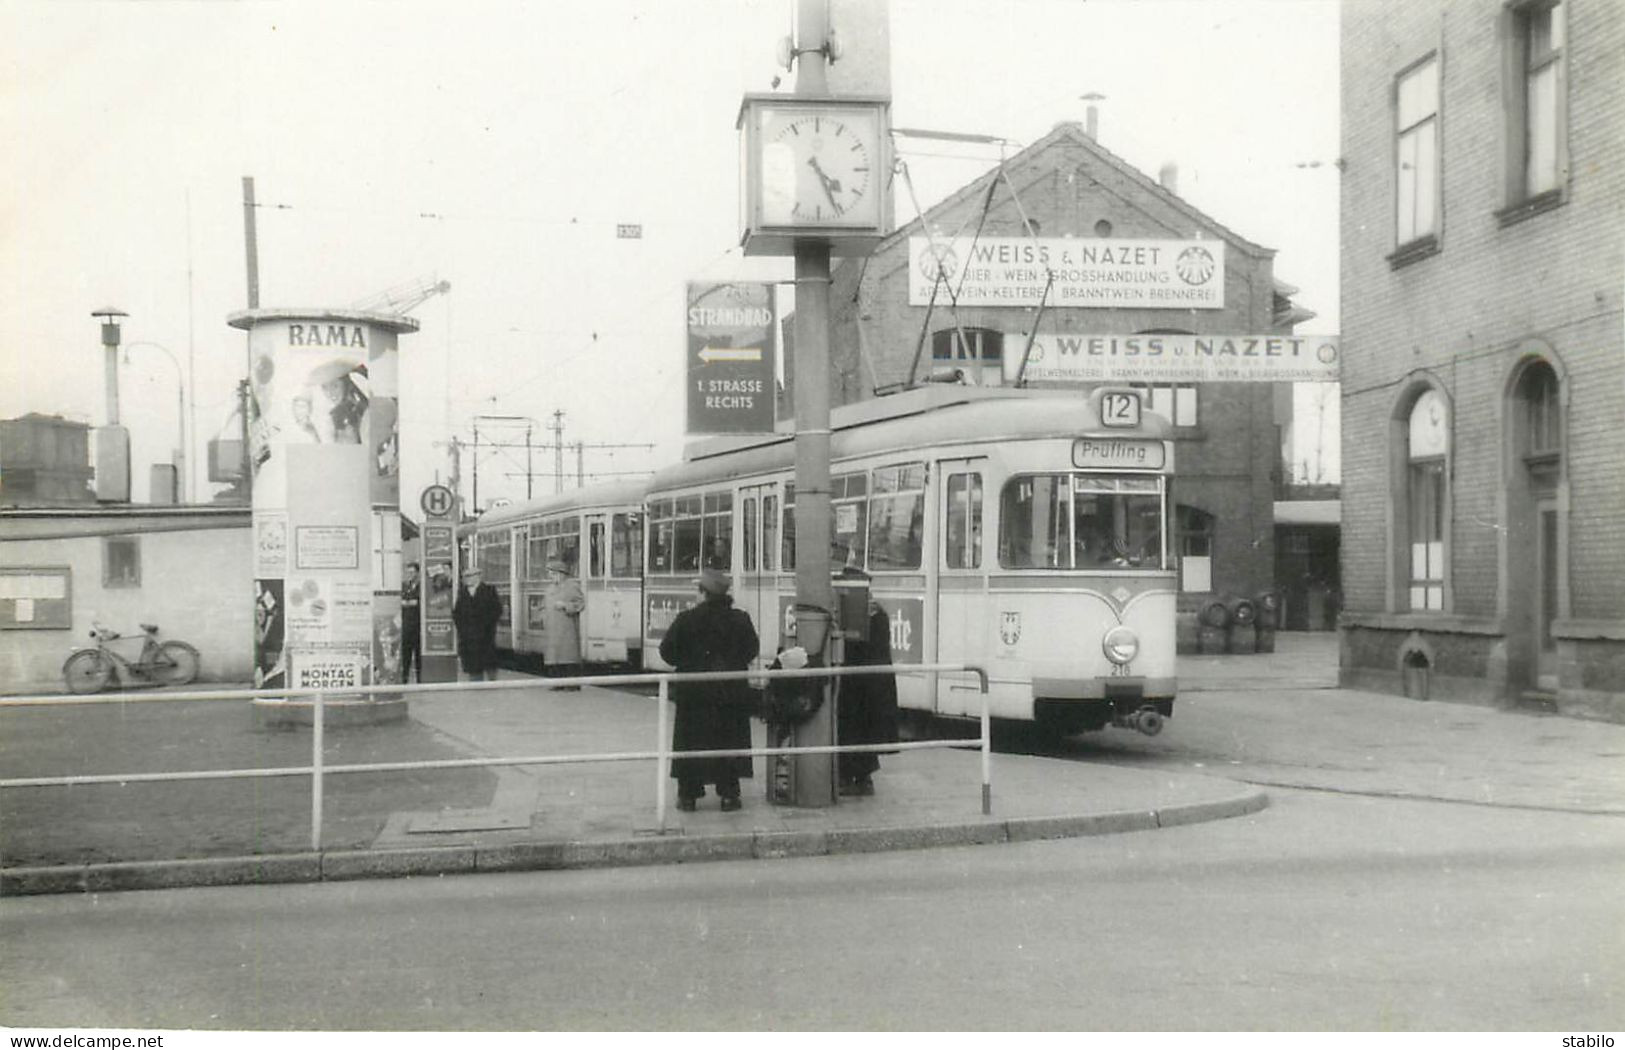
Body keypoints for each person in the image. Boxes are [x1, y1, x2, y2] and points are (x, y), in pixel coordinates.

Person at [659, 567, 759, 812]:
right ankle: (729, 795)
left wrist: (688, 662)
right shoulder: (740, 619)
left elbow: (667, 652)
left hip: (694, 695)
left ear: (703, 593)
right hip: (730, 694)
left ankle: (688, 796)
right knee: (728, 741)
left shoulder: (687, 619)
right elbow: (752, 649)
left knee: (691, 744)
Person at [837, 578, 899, 797]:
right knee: (865, 730)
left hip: (856, 683)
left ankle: (847, 777)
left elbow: (852, 648)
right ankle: (864, 778)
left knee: (849, 728)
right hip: (874, 684)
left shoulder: (859, 616)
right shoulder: (878, 613)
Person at [541, 559, 585, 689]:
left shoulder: (572, 586)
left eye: (552, 573)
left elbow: (580, 604)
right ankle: (556, 683)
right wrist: (543, 615)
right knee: (553, 657)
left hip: (567, 628)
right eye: (550, 573)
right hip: (552, 629)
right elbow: (543, 605)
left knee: (568, 656)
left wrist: (566, 606)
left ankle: (572, 685)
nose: (551, 576)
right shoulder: (549, 589)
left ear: (561, 573)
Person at [452, 567, 502, 682]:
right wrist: (462, 628)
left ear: (477, 576)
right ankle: (475, 683)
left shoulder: (489, 590)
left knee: (488, 660)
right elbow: (457, 612)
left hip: (486, 633)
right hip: (468, 634)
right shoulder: (463, 592)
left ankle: (492, 682)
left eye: (469, 576)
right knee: (472, 662)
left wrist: (488, 625)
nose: (466, 579)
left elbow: (497, 610)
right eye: (465, 577)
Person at [399, 562, 422, 684]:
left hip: (418, 626)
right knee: (406, 654)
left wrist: (409, 602)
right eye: (408, 572)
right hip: (406, 625)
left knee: (418, 653)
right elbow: (402, 602)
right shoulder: (403, 586)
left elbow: (418, 602)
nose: (410, 575)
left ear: (417, 573)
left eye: (412, 572)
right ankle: (404, 678)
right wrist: (410, 602)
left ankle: (420, 678)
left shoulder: (421, 586)